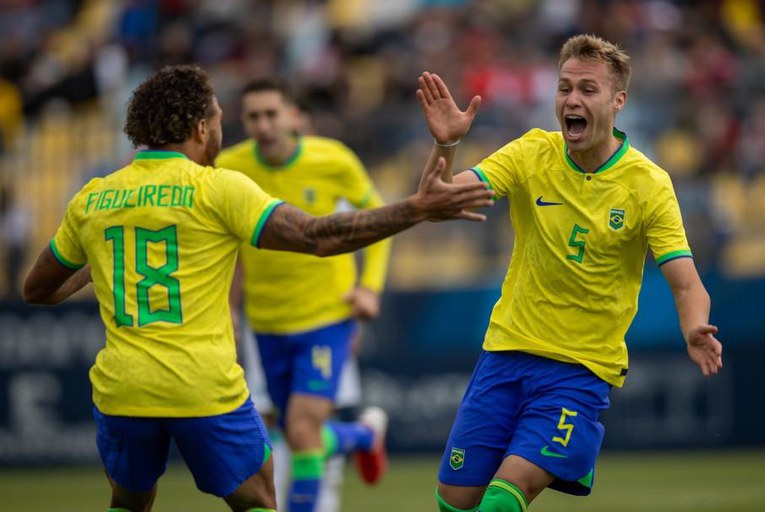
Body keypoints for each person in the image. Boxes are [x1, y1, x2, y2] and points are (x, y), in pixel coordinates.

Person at [21, 64, 493, 512]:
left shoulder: (95, 197)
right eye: (224, 119)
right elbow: (317, 237)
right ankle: (363, 436)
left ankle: (362, 437)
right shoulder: (219, 187)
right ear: (202, 129)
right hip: (203, 386)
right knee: (259, 500)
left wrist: (102, 256)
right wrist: (415, 209)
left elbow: (38, 289)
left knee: (128, 503)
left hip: (123, 388)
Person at [415, 34, 724, 512]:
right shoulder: (530, 153)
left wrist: (693, 327)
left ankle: (568, 443)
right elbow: (435, 204)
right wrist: (446, 142)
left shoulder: (648, 185)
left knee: (501, 500)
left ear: (618, 101)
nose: (572, 100)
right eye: (564, 89)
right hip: (505, 352)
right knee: (455, 502)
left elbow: (686, 282)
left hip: (579, 370)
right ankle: (557, 458)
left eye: (587, 89)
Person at [216, 78, 390, 512]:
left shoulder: (333, 159)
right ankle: (365, 435)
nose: (264, 125)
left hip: (326, 319)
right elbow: (231, 248)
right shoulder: (229, 169)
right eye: (253, 117)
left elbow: (381, 225)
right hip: (268, 325)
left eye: (272, 114)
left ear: (294, 116)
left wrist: (369, 288)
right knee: (287, 432)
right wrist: (229, 310)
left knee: (302, 428)